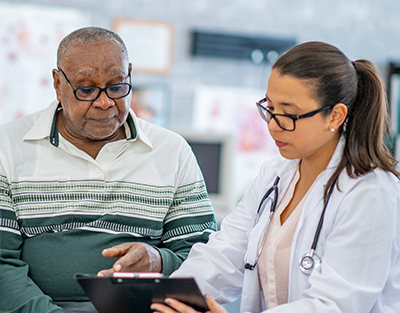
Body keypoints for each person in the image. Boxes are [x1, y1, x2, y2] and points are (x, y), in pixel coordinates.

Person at [151, 41, 400, 313]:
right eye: (269, 108)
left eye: (289, 114)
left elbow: (335, 305)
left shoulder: (370, 191)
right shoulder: (274, 176)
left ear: (335, 116)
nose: (272, 125)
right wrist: (164, 299)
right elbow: (224, 255)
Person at [0, 26, 216, 313]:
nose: (105, 102)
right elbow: (2, 262)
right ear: (57, 83)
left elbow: (204, 255)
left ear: (130, 75)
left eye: (116, 87)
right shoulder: (8, 146)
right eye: (86, 89)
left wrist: (160, 260)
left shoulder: (172, 151)